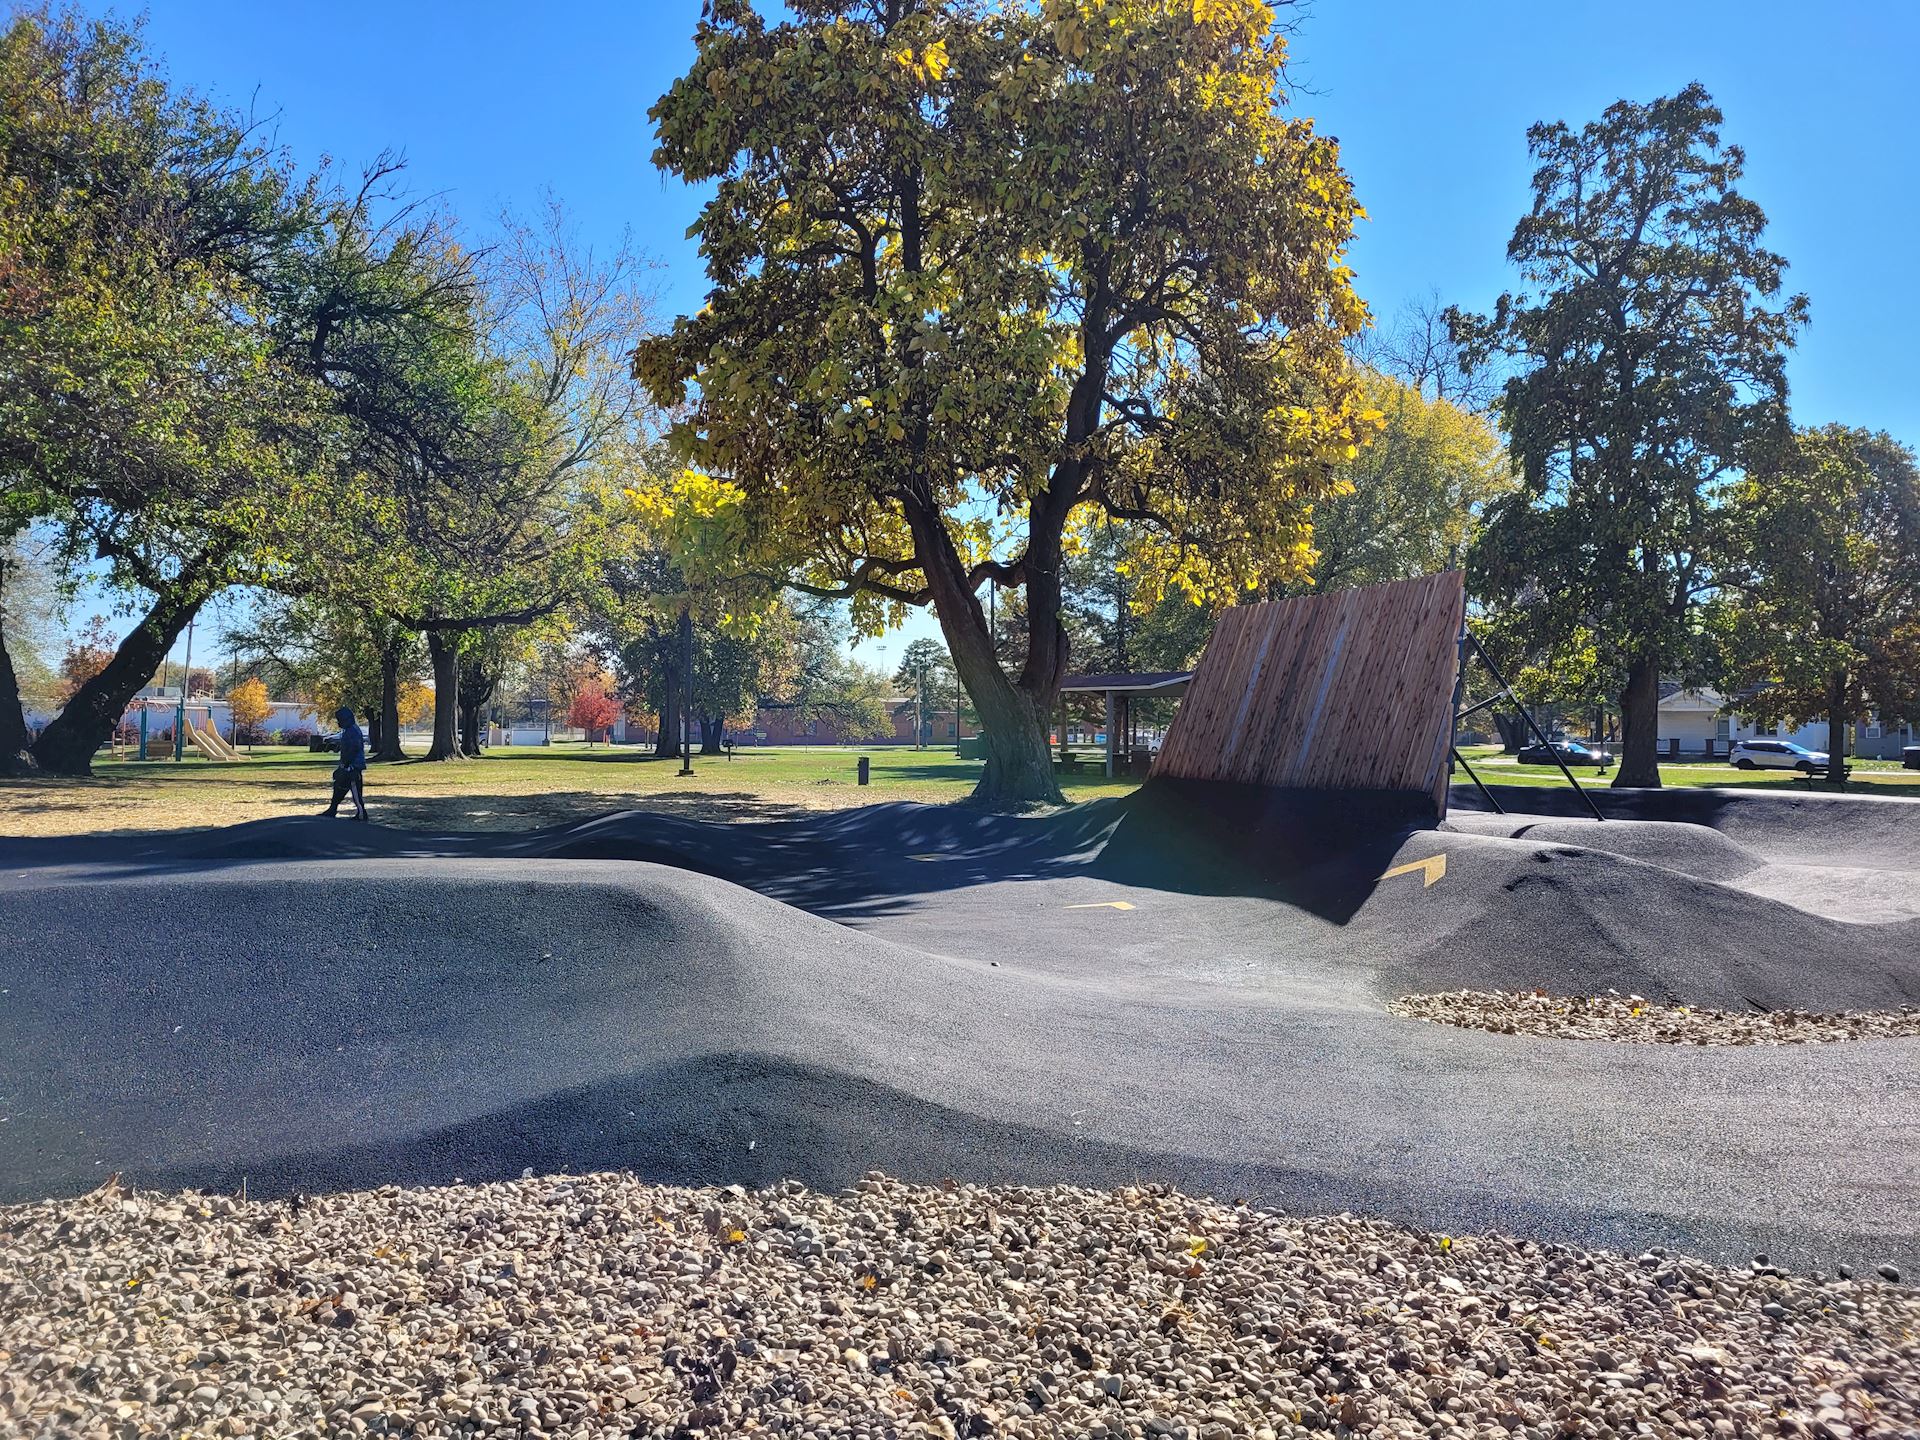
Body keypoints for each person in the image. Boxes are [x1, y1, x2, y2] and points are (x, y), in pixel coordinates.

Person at [323, 705, 368, 821]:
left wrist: (346, 765)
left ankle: (361, 813)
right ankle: (332, 809)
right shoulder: (348, 731)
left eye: (340, 720)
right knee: (339, 787)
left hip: (352, 767)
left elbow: (353, 749)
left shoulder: (352, 731)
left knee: (355, 791)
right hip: (348, 766)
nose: (339, 723)